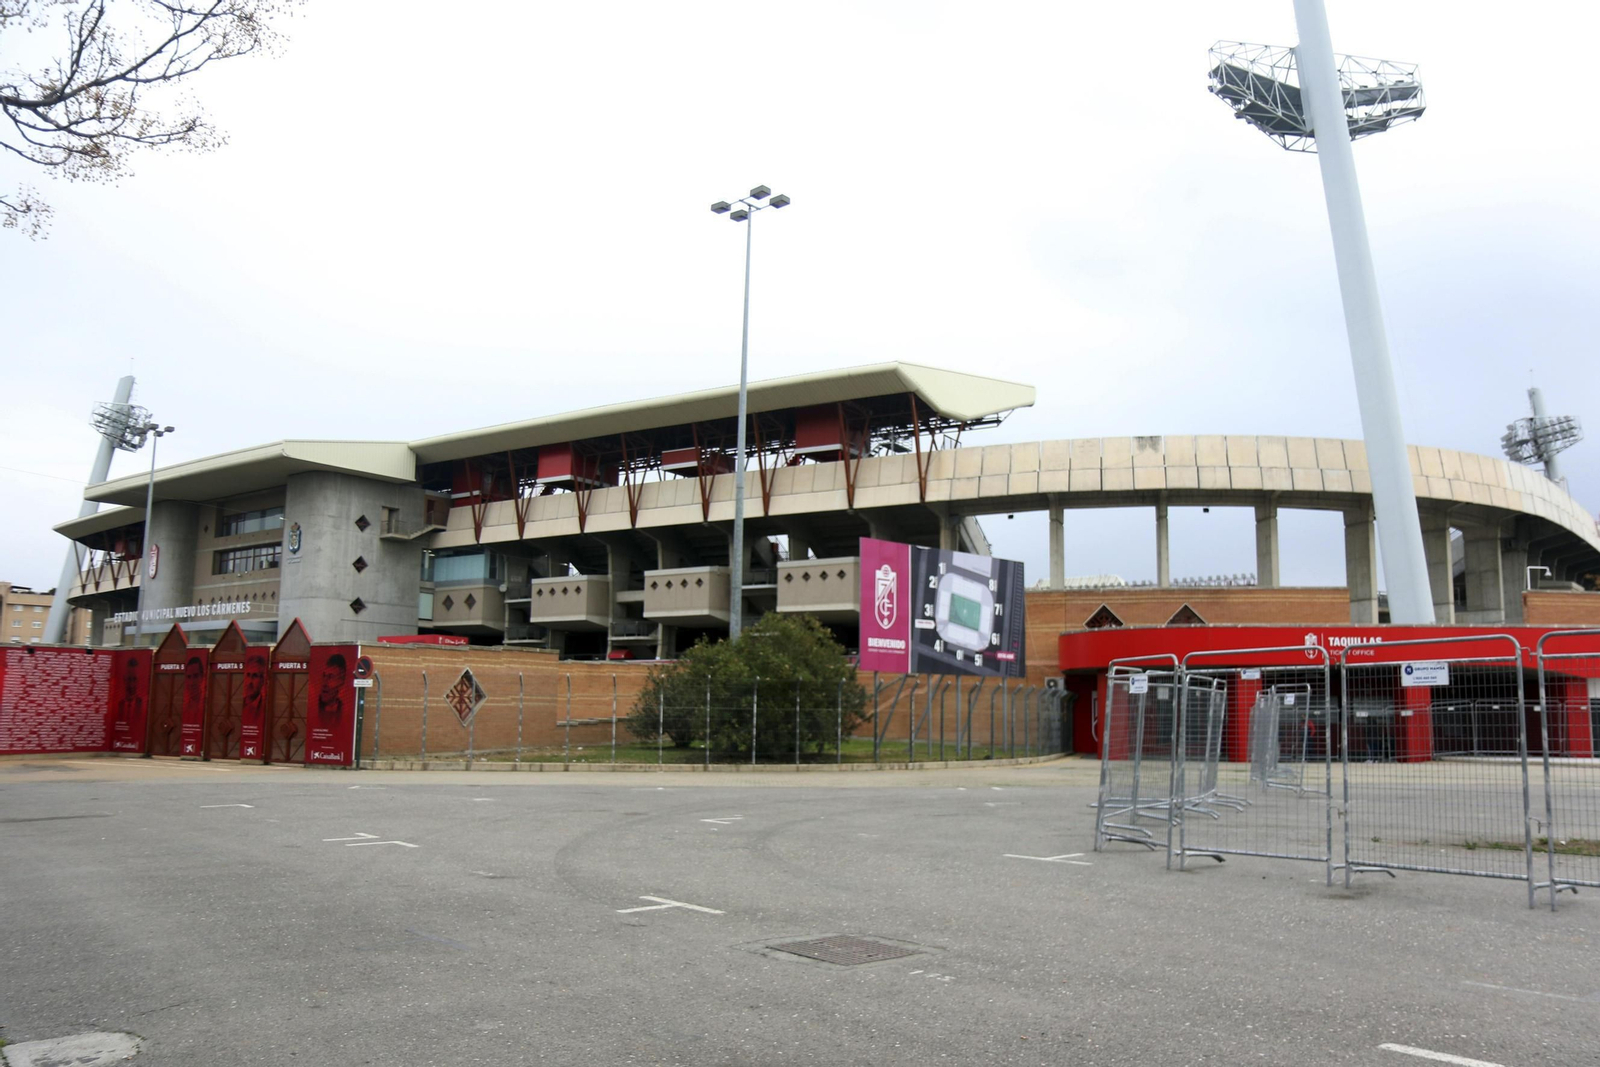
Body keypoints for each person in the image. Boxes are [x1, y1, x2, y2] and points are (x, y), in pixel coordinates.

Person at [316, 653, 346, 723]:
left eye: (331, 677)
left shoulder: (345, 710)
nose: (324, 683)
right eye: (324, 676)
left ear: (341, 681)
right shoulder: (314, 708)